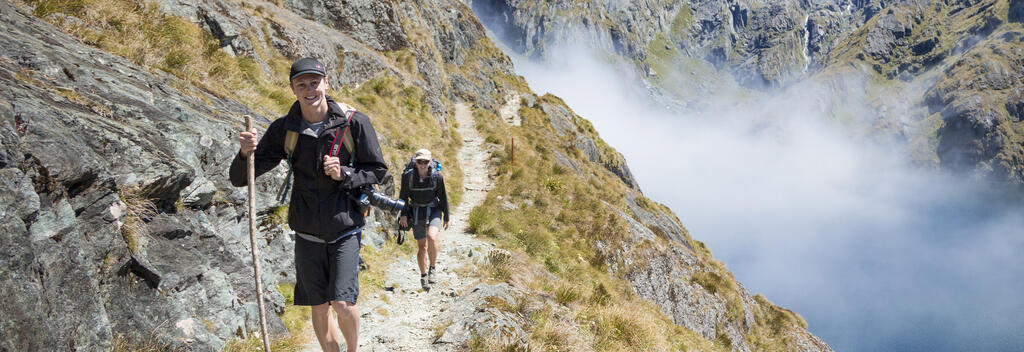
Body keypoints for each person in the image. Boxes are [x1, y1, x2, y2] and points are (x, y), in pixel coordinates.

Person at [230, 57, 387, 352]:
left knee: (341, 302)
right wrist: (244, 154)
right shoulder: (284, 130)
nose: (309, 89)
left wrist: (345, 174)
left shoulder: (355, 123)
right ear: (293, 89)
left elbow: (377, 170)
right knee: (318, 305)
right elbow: (242, 178)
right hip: (306, 234)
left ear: (326, 83)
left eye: (314, 82)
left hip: (345, 229)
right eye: (301, 84)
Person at [398, 149, 450, 291]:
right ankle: (423, 276)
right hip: (417, 211)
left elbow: (443, 197)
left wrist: (447, 216)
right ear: (415, 162)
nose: (422, 164)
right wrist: (403, 215)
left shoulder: (437, 177)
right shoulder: (408, 177)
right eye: (419, 161)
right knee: (422, 246)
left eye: (425, 162)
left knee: (431, 237)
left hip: (434, 209)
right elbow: (403, 196)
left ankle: (433, 268)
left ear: (430, 162)